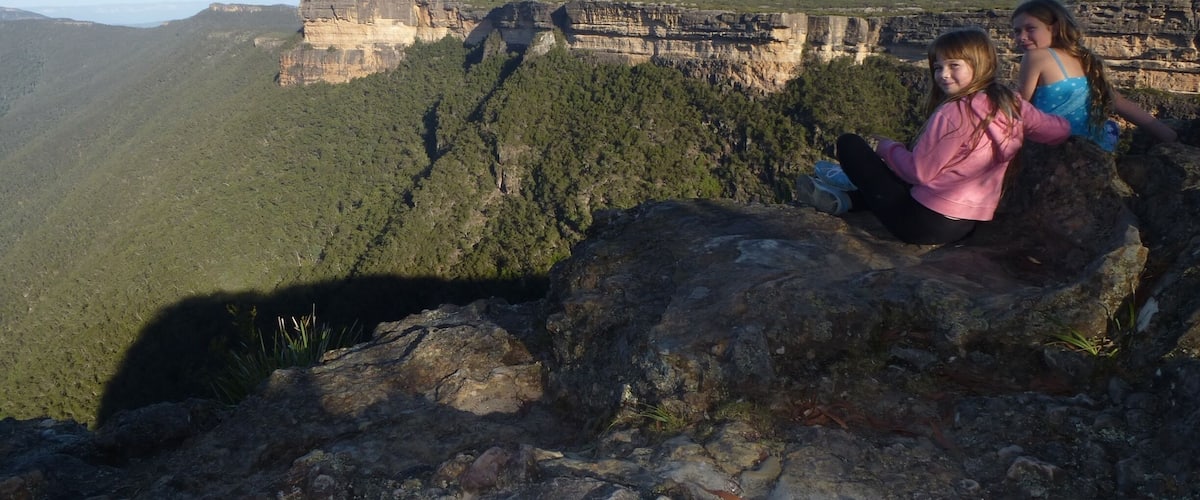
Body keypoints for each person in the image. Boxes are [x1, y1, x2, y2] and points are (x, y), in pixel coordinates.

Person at [795, 28, 1071, 245]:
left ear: (979, 63)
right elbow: (1058, 132)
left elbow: (920, 172)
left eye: (953, 66)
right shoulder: (1011, 103)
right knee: (908, 180)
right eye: (938, 67)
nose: (943, 75)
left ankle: (850, 183)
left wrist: (887, 148)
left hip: (919, 224)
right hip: (965, 224)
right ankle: (848, 200)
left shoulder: (954, 111)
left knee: (850, 144)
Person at [1011, 0, 1177, 151]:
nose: (1022, 37)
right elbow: (1120, 103)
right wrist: (1168, 135)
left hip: (1058, 149)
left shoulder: (1035, 57)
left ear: (1053, 28)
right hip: (1097, 147)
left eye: (1030, 28)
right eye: (1017, 31)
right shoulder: (1083, 58)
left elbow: (1020, 108)